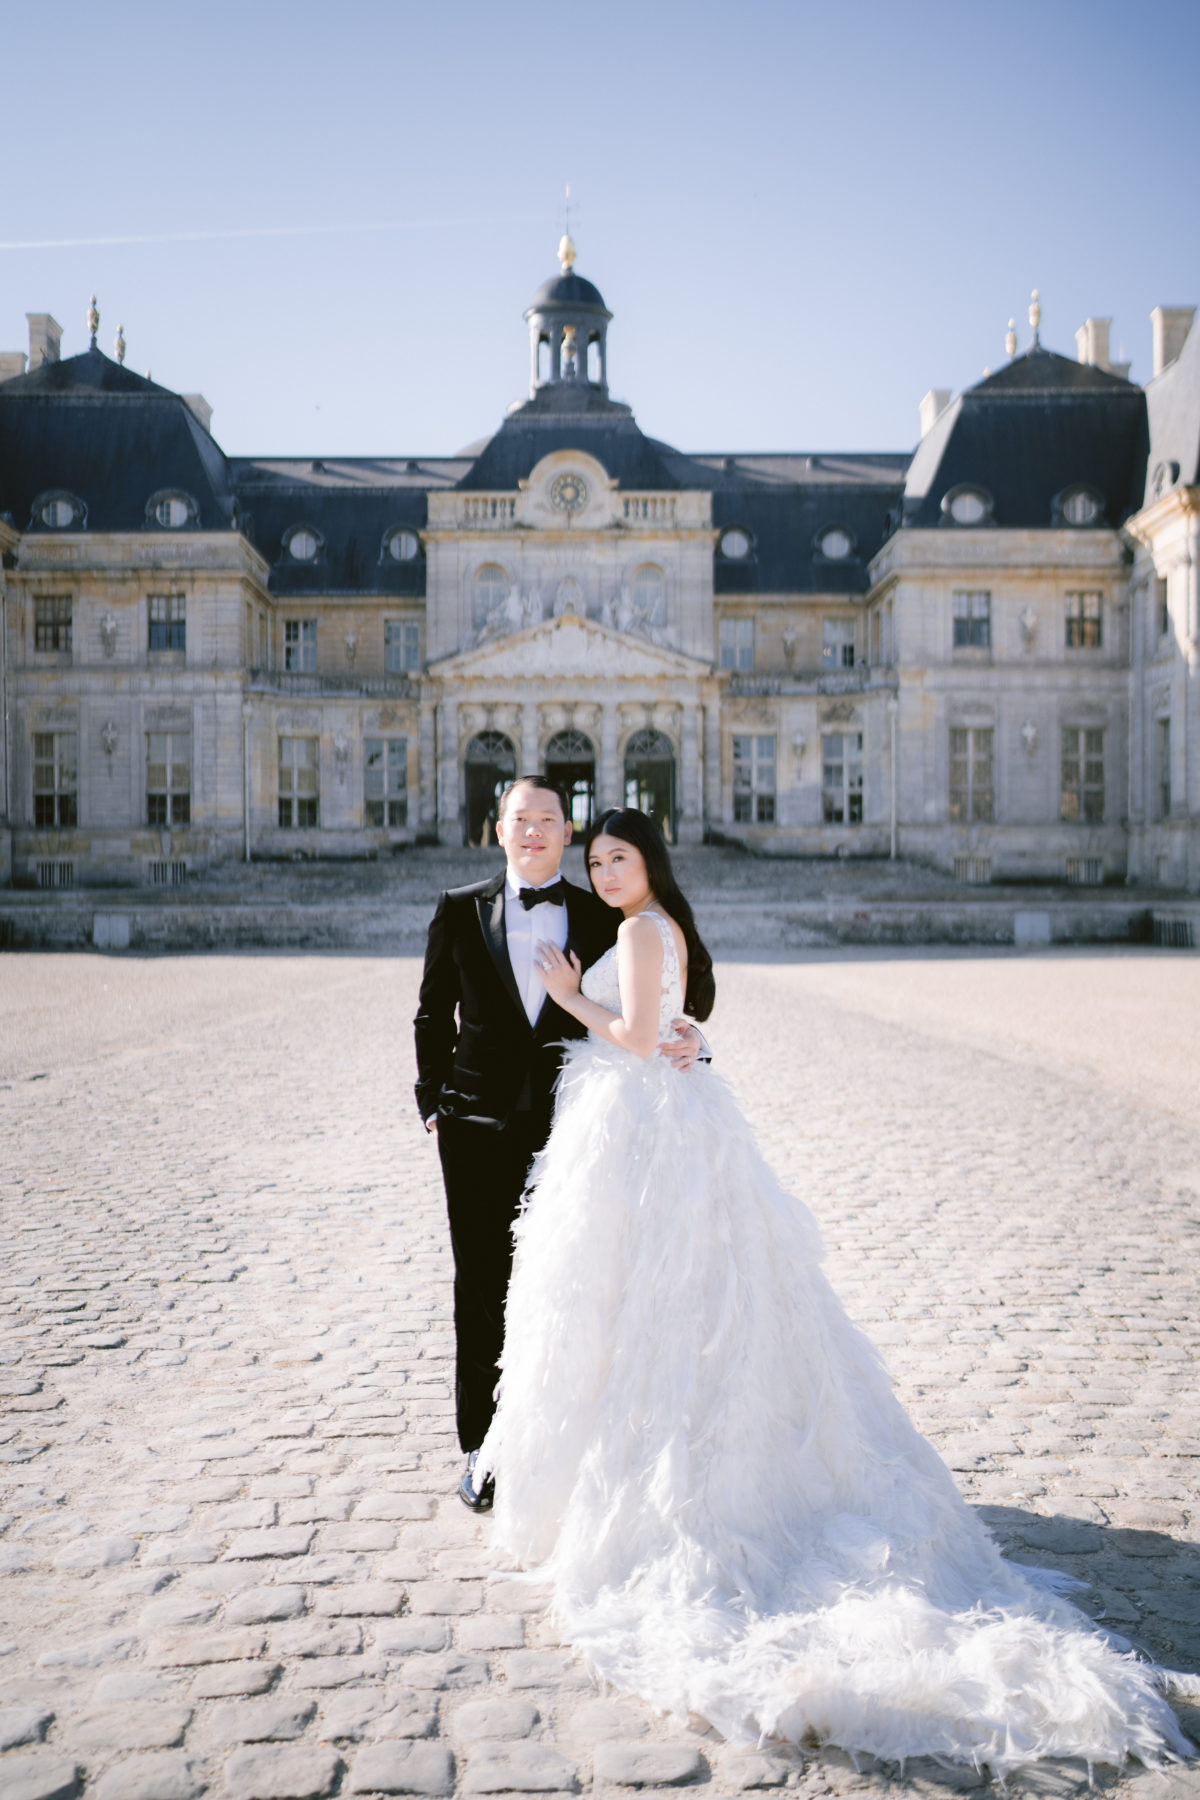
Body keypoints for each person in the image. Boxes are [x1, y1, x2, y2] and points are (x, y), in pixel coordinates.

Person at [476, 806, 1193, 1774]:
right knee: (673, 1311)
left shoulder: (642, 931)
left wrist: (571, 998)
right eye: (595, 861)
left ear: (651, 861)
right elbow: (672, 1029)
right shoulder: (651, 929)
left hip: (641, 1127)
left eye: (618, 858)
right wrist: (662, 1026)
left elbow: (641, 1038)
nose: (604, 874)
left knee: (653, 1309)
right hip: (657, 1130)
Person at [413, 776, 704, 1512]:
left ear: (565, 834)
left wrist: (695, 1039)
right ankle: (482, 1447)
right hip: (475, 1128)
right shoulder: (456, 910)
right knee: (481, 1288)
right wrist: (433, 1105)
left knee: (568, 1288)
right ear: (499, 827)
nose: (535, 830)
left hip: (571, 1129)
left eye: (549, 819)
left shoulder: (599, 911)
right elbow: (430, 1015)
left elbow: (660, 994)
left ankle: (562, 1446)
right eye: (522, 818)